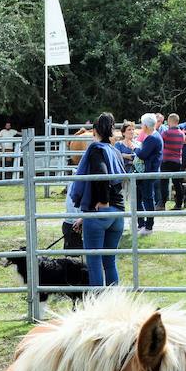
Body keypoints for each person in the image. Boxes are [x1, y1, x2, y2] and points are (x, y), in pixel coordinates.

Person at [69, 113, 126, 288]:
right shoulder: (116, 151)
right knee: (110, 262)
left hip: (100, 212)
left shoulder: (96, 149)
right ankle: (114, 301)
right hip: (118, 213)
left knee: (94, 262)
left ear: (94, 131)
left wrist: (103, 201)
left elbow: (101, 175)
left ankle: (98, 306)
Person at [133, 114, 162, 233]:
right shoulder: (154, 136)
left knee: (148, 198)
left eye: (142, 123)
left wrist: (134, 147)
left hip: (149, 171)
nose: (141, 126)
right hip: (149, 170)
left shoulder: (152, 138)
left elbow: (142, 154)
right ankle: (144, 224)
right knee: (144, 197)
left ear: (145, 125)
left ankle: (149, 226)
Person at [160, 113, 186, 210]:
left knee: (164, 183)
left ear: (170, 121)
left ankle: (162, 204)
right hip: (177, 161)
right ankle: (179, 204)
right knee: (177, 183)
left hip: (166, 160)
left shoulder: (166, 133)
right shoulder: (182, 134)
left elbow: (161, 145)